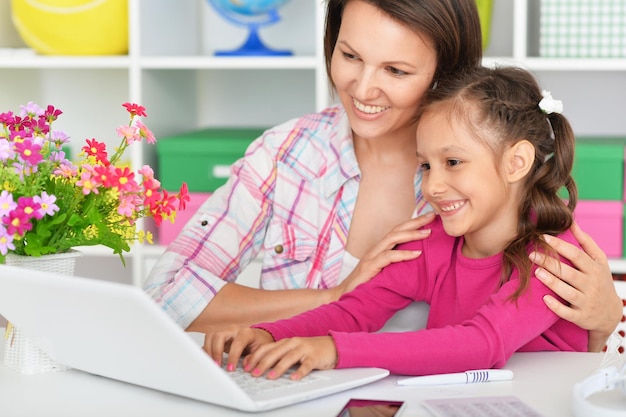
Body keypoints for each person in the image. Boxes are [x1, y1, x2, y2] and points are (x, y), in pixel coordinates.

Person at [144, 0, 621, 352]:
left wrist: (606, 321)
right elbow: (166, 295)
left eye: (395, 69)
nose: (363, 88)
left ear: (444, 75)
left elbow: (515, 344)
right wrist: (326, 299)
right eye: (350, 56)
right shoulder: (286, 155)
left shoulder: (483, 183)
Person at [204, 65, 589, 379]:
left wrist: (335, 351)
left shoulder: (554, 257)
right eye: (425, 165)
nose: (433, 186)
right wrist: (267, 333)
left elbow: (482, 344)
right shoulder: (431, 238)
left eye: (452, 162)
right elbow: (354, 311)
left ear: (516, 162)